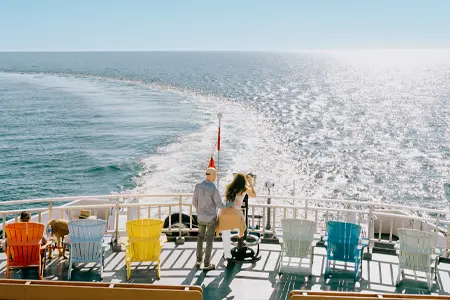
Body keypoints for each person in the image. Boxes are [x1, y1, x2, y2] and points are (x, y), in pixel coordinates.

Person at [192, 166, 224, 271]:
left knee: (200, 238)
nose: (215, 177)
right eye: (215, 175)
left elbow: (194, 203)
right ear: (212, 176)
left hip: (200, 217)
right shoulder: (213, 189)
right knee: (209, 240)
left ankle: (198, 260)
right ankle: (207, 264)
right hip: (210, 218)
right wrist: (229, 205)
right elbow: (219, 205)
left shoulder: (197, 186)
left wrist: (200, 211)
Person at [217, 173, 256, 259]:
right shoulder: (245, 189)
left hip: (223, 212)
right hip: (235, 213)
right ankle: (240, 243)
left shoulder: (229, 187)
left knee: (226, 232)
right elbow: (254, 195)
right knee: (241, 226)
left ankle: (227, 252)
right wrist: (250, 183)